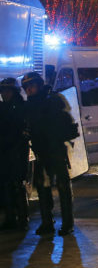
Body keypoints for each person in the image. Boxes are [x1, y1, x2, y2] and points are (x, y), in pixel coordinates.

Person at [22, 72, 77, 236]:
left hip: (56, 150)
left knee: (63, 186)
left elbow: (67, 123)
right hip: (41, 152)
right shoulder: (30, 105)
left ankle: (67, 223)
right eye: (26, 87)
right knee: (42, 187)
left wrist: (56, 137)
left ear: (39, 85)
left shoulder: (53, 100)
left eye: (31, 86)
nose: (29, 89)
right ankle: (47, 222)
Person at [0, 78, 30, 231]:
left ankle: (23, 218)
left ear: (14, 92)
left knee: (18, 184)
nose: (4, 94)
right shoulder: (3, 107)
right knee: (6, 185)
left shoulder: (21, 108)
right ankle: (10, 218)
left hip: (17, 151)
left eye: (7, 91)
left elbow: (22, 131)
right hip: (5, 151)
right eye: (2, 91)